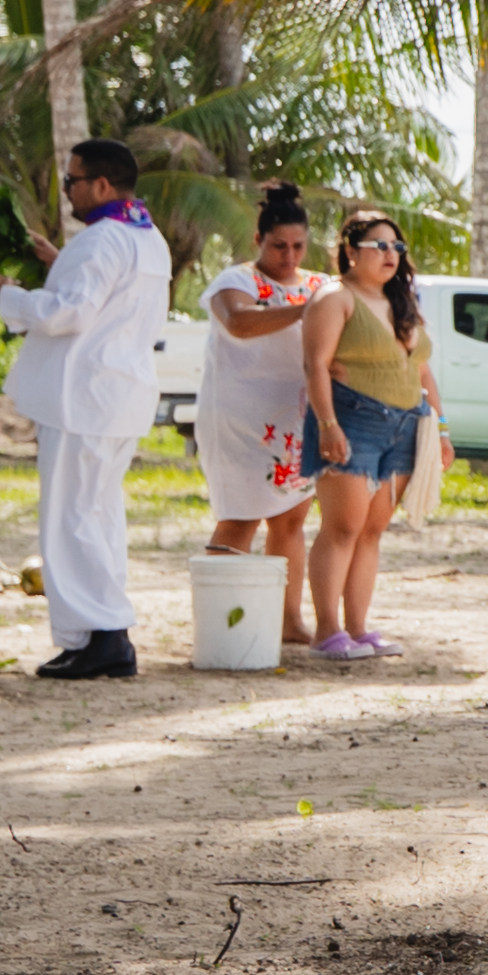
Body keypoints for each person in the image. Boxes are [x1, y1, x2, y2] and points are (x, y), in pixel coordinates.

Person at [0, 138, 169, 680]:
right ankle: (100, 633)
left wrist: (4, 294)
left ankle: (103, 635)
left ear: (101, 185)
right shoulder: (146, 236)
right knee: (96, 514)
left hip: (83, 396)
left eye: (71, 180)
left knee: (71, 517)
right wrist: (59, 260)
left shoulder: (102, 240)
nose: (65, 189)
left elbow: (70, 314)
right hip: (117, 394)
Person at [197, 187, 331, 654]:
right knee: (240, 518)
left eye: (298, 246)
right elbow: (239, 322)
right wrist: (308, 309)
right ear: (258, 239)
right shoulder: (235, 280)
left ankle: (288, 621)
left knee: (291, 520)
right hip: (238, 418)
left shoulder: (318, 285)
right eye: (279, 246)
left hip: (295, 417)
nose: (289, 256)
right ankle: (219, 621)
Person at [298, 210, 435, 661]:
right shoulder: (335, 298)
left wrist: (442, 430)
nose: (390, 254)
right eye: (380, 245)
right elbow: (316, 365)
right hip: (354, 419)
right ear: (352, 251)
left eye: (397, 247)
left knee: (372, 531)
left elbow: (421, 369)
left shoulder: (402, 301)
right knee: (342, 527)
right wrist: (328, 424)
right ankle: (327, 630)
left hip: (405, 424)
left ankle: (357, 628)